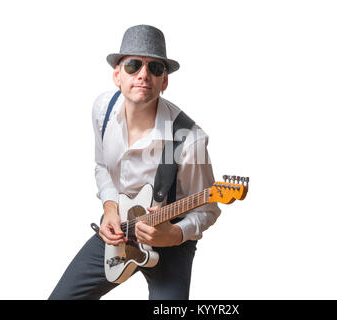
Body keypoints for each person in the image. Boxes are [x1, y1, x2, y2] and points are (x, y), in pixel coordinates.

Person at [48, 25, 221, 300]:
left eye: (155, 68)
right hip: (120, 230)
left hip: (171, 240)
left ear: (164, 81)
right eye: (132, 65)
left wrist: (175, 234)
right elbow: (102, 166)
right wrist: (110, 208)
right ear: (117, 75)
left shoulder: (191, 139)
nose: (143, 75)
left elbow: (209, 208)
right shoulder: (103, 109)